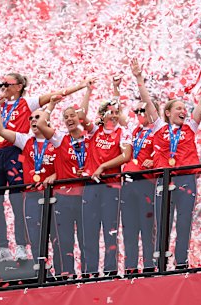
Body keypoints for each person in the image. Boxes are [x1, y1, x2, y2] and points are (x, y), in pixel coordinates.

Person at [0, 74, 91, 264]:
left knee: (17, 199)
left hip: (15, 151)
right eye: (2, 83)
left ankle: (21, 245)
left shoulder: (28, 103)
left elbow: (55, 94)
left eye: (8, 83)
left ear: (19, 86)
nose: (3, 86)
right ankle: (1, 247)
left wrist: (80, 86)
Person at [147, 75, 201, 269]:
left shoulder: (190, 127)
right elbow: (148, 102)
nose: (184, 111)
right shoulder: (159, 127)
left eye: (184, 108)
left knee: (184, 223)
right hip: (164, 180)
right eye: (179, 108)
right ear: (168, 112)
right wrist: (139, 78)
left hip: (186, 179)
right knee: (163, 222)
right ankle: (160, 263)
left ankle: (181, 262)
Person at [36, 83, 96, 277]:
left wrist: (88, 91)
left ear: (79, 118)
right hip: (64, 197)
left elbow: (84, 113)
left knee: (86, 237)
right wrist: (51, 106)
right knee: (64, 238)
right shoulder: (60, 138)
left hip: (86, 195)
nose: (69, 119)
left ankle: (88, 273)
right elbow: (41, 125)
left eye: (72, 116)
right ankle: (65, 273)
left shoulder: (91, 137)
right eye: (66, 117)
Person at [0, 98, 57, 272]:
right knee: (35, 234)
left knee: (56, 233)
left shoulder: (56, 139)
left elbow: (65, 164)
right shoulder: (25, 140)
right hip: (31, 195)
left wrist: (54, 175)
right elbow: (0, 129)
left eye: (38, 117)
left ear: (46, 121)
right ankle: (41, 268)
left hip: (53, 194)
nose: (34, 120)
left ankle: (59, 269)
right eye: (31, 118)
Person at [81, 77, 132, 275]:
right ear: (101, 116)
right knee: (89, 231)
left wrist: (103, 166)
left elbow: (126, 156)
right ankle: (90, 271)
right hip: (91, 186)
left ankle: (110, 270)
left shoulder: (123, 133)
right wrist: (87, 91)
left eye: (116, 113)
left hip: (112, 186)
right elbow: (80, 116)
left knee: (110, 230)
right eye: (109, 113)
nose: (113, 115)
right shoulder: (94, 131)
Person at [120, 59, 159, 273]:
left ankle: (150, 266)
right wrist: (116, 89)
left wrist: (138, 79)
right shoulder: (134, 131)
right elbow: (115, 114)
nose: (138, 114)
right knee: (129, 228)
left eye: (142, 112)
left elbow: (147, 102)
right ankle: (130, 267)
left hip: (145, 182)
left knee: (146, 226)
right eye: (137, 112)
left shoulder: (156, 129)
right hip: (128, 183)